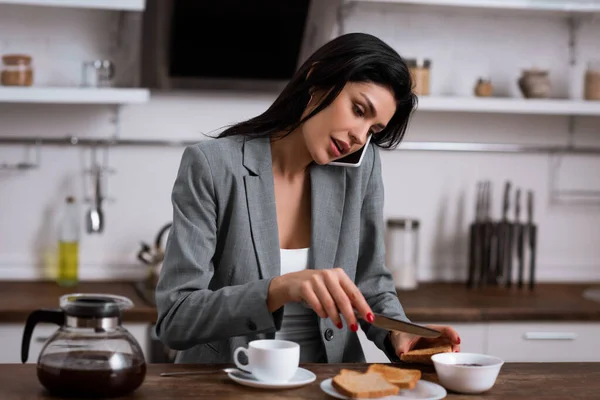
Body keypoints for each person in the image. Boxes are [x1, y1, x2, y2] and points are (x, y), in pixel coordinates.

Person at [155, 32, 460, 364]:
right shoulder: (213, 165)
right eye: (358, 109)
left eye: (374, 130)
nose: (360, 137)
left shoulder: (360, 169)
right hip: (231, 381)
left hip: (330, 383)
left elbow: (370, 283)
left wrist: (399, 332)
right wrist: (279, 289)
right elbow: (176, 319)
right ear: (317, 79)